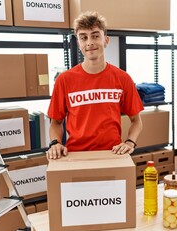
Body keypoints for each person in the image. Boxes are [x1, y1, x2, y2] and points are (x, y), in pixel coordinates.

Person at [46, 11, 144, 160]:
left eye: (95, 36)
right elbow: (55, 123)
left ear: (106, 40)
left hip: (113, 155)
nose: (89, 42)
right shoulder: (64, 80)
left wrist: (130, 142)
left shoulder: (123, 78)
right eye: (83, 38)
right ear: (78, 43)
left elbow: (136, 121)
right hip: (76, 156)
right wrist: (55, 143)